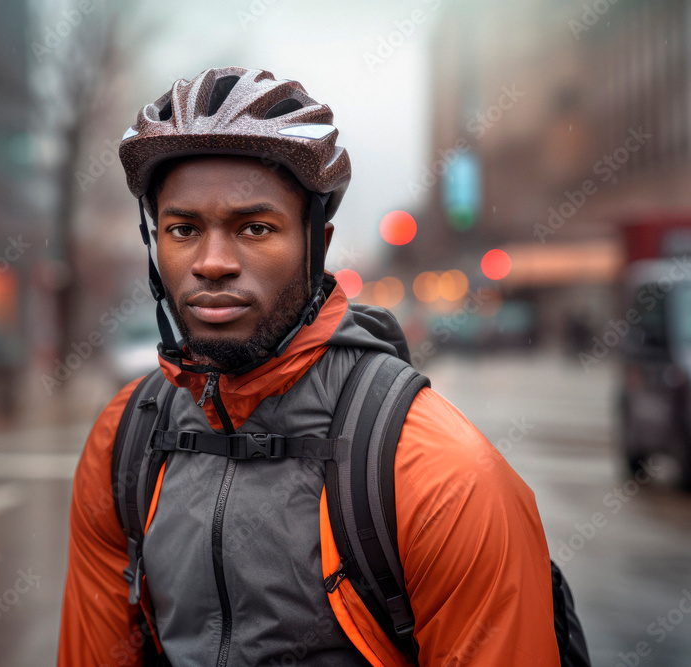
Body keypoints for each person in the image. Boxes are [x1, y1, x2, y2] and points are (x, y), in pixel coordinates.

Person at [57, 66, 560, 666]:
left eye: (255, 227)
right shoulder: (125, 441)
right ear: (155, 243)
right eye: (184, 229)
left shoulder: (440, 473)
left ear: (316, 242)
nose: (212, 262)